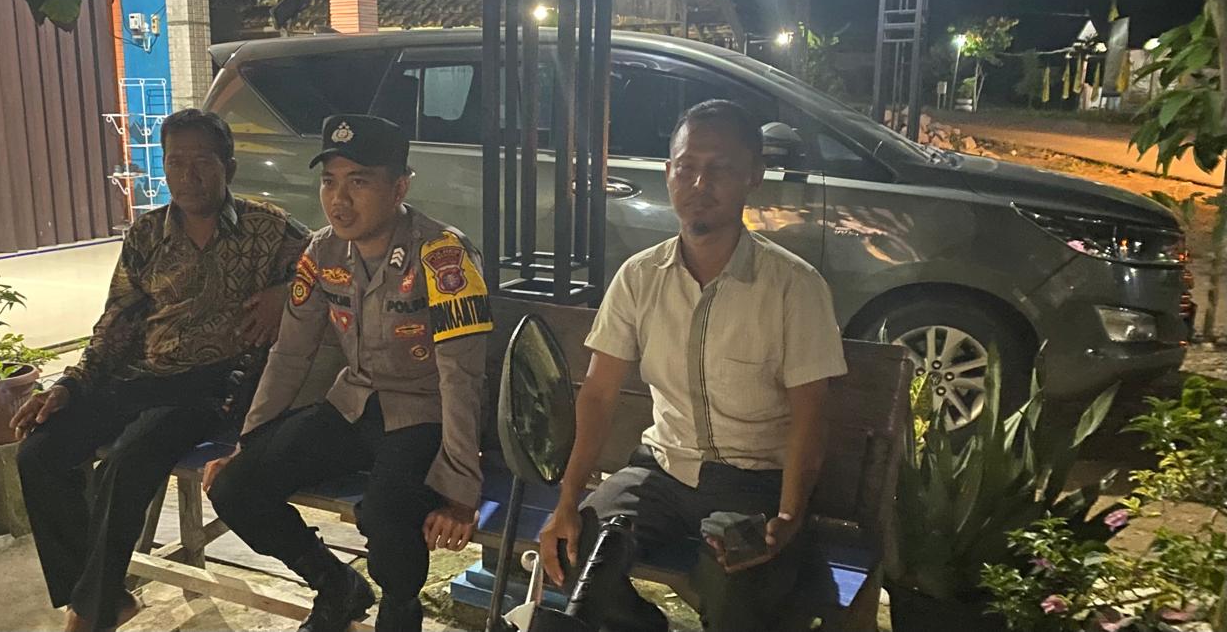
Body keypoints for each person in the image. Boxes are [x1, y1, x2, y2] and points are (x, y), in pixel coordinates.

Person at [537, 100, 848, 632]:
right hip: (661, 470)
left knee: (737, 587)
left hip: (754, 481)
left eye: (720, 168)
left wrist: (789, 517)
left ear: (754, 175)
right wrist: (568, 498)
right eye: (686, 167)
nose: (699, 183)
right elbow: (600, 392)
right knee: (572, 551)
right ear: (668, 173)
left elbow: (810, 412)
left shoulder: (793, 287)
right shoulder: (640, 276)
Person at [12, 108, 309, 632]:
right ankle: (104, 596)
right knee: (39, 452)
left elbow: (338, 265)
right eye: (176, 162)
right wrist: (71, 383)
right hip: (139, 376)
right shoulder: (147, 234)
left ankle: (89, 614)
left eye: (202, 162)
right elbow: (116, 320)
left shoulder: (269, 227)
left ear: (229, 168)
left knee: (126, 463)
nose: (188, 176)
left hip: (211, 386)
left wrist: (287, 291)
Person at [205, 114, 492, 632]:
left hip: (426, 414)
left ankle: (400, 610)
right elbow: (290, 354)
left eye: (358, 182)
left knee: (386, 514)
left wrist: (459, 489)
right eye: (329, 181)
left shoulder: (442, 256)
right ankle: (336, 585)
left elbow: (461, 377)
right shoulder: (323, 251)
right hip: (352, 403)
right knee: (234, 487)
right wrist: (250, 444)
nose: (339, 200)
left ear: (399, 188)